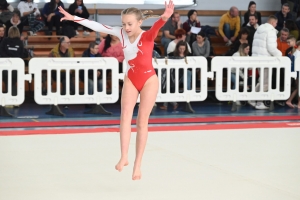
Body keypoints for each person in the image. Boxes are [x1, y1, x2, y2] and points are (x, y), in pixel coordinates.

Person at [58, 0, 174, 180]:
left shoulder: (147, 36)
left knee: (142, 122)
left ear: (139, 22)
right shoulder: (120, 33)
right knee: (125, 117)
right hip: (131, 78)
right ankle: (124, 157)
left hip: (149, 80)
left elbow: (157, 27)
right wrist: (73, 18)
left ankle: (138, 165)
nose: (126, 28)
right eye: (123, 24)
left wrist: (165, 17)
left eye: (130, 24)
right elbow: (96, 25)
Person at [249, 15, 282, 110]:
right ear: (273, 23)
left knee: (262, 81)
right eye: (276, 23)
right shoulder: (271, 31)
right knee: (265, 82)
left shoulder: (259, 29)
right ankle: (259, 102)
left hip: (257, 58)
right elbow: (271, 48)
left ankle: (251, 98)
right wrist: (280, 55)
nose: (276, 25)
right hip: (265, 59)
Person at [161, 41, 192, 110]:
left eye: (183, 49)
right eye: (180, 49)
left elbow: (191, 67)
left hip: (182, 75)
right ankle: (170, 103)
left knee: (187, 73)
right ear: (177, 48)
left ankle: (170, 104)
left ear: (186, 49)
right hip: (173, 74)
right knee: (167, 81)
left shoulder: (189, 55)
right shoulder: (172, 54)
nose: (182, 50)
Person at [0, 27, 27, 96]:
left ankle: (10, 98)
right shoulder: (20, 42)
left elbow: (1, 52)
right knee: (12, 81)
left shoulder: (5, 40)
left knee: (8, 81)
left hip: (5, 65)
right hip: (16, 66)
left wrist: (8, 58)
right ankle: (13, 98)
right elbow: (22, 54)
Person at [286, 40, 300, 108]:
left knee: (297, 88)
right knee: (298, 88)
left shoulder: (295, 53)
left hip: (296, 72)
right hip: (297, 72)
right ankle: (290, 101)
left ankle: (291, 101)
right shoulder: (297, 53)